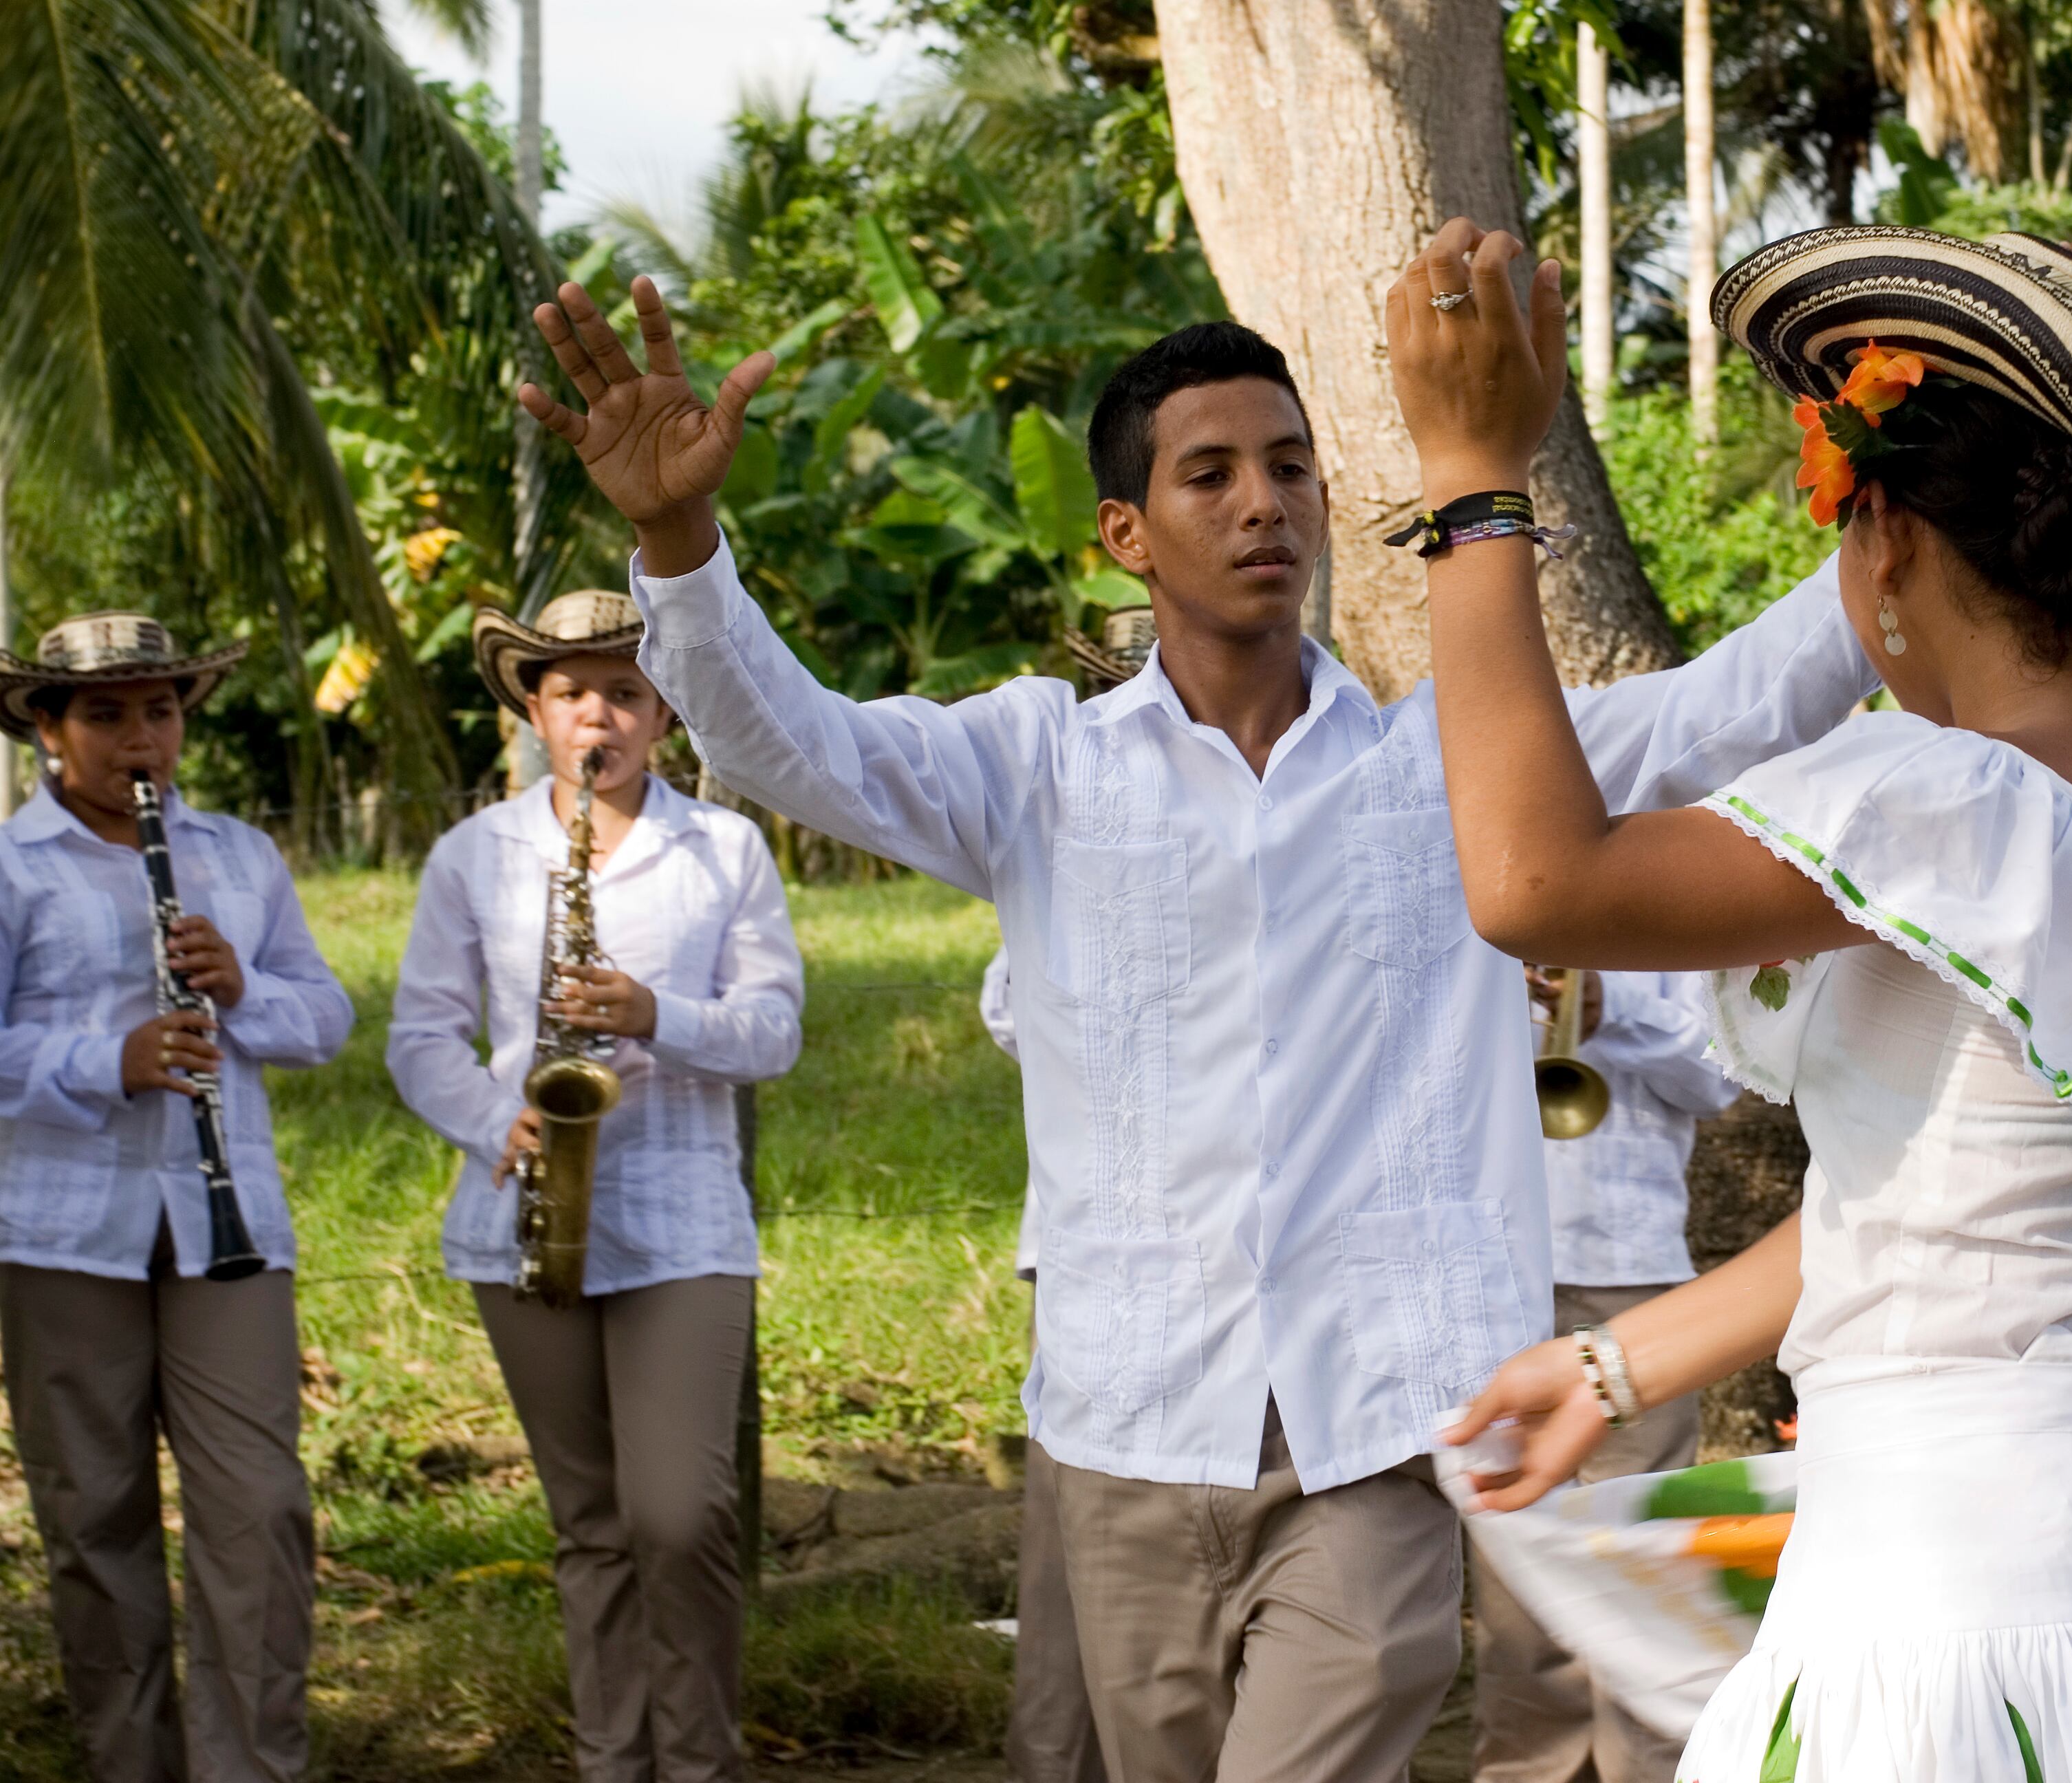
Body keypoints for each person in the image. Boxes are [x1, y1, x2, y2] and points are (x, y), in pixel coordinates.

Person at [515, 279, 1879, 1783]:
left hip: (1378, 1430)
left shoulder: (1456, 763)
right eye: (1210, 474)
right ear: (1125, 533)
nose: (1262, 504)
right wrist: (676, 548)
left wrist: (1917, 461)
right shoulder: (1034, 761)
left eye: (1288, 466)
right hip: (1131, 1430)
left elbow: (1751, 699)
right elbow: (795, 742)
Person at [1403, 218, 2072, 1778]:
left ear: (1883, 541)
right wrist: (1619, 1360)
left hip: (1952, 1642)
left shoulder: (1950, 796)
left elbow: (1531, 883)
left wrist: (1472, 479)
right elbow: (1957, 1201)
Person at [387, 591, 804, 1783]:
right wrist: (494, 1117)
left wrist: (653, 1014)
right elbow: (420, 1037)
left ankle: (700, 1762)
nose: (597, 716)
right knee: (590, 1525)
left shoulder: (725, 850)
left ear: (664, 711)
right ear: (535, 709)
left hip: (683, 1220)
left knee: (680, 1516)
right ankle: (610, 1761)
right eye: (572, 692)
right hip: (522, 1215)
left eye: (624, 691)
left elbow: (772, 1030)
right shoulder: (475, 855)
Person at [0, 614, 353, 1783]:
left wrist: (242, 990)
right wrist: (111, 1058)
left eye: (160, 709)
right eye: (105, 713)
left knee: (258, 1509)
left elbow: (326, 1017)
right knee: (95, 1522)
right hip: (61, 1230)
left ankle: (249, 1767)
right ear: (47, 728)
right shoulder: (13, 867)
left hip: (225, 1224)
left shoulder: (240, 855)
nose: (140, 736)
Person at [1474, 967, 1734, 1783]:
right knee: (1514, 1577)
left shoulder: (1677, 852)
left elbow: (1720, 1076)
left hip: (1629, 1263)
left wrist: (1608, 1008)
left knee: (1642, 1553)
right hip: (1491, 1259)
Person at [978, 944, 1110, 1783]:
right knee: (1078, 1549)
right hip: (1106, 1246)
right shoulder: (1089, 814)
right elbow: (1007, 1002)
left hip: (1314, 1253)